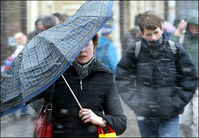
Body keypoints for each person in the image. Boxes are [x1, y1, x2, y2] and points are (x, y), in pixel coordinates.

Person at [116, 11, 197, 137]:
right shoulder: (135, 51)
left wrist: (175, 103)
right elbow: (122, 78)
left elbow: (189, 78)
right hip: (145, 115)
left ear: (162, 29)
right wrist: (137, 104)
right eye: (149, 34)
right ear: (142, 34)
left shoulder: (175, 50)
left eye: (156, 33)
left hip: (170, 114)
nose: (153, 37)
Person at [29, 34, 127, 137]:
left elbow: (120, 123)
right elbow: (35, 100)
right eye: (77, 46)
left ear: (94, 47)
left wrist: (100, 120)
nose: (82, 50)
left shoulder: (105, 77)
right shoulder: (57, 74)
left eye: (87, 45)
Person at [170, 9, 198, 137]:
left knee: (198, 120)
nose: (194, 29)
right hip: (185, 86)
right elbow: (170, 50)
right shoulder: (182, 38)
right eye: (192, 26)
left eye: (197, 27)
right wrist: (178, 31)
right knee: (185, 121)